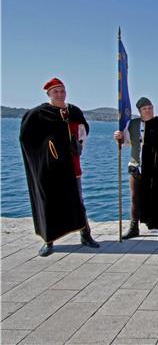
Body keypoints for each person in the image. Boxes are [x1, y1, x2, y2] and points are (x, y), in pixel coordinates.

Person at [20, 78, 100, 257]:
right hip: (50, 168)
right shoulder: (39, 114)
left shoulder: (73, 111)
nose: (60, 94)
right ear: (49, 94)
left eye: (62, 90)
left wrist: (78, 141)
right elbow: (26, 138)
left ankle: (85, 235)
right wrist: (45, 151)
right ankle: (49, 241)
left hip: (72, 166)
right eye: (56, 91)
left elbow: (83, 131)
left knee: (78, 201)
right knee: (49, 202)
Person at [114, 97, 158, 242]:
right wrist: (118, 137)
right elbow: (125, 142)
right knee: (135, 198)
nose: (148, 110)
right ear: (139, 111)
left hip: (155, 168)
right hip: (136, 165)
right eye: (145, 108)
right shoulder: (132, 124)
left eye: (150, 107)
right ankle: (134, 228)